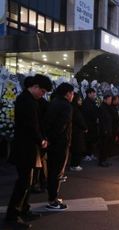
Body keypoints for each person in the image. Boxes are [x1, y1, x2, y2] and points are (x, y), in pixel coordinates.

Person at [6, 74, 52, 229]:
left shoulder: (31, 100)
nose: (43, 94)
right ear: (36, 87)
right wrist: (41, 140)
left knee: (28, 182)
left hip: (29, 147)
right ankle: (13, 215)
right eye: (43, 91)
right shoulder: (26, 100)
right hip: (25, 147)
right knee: (23, 182)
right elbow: (31, 125)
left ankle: (24, 210)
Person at [45, 83, 74, 211]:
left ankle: (52, 197)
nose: (73, 96)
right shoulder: (65, 106)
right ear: (67, 93)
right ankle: (53, 200)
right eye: (72, 93)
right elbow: (61, 126)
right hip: (59, 143)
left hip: (51, 142)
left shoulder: (53, 101)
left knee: (52, 170)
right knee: (56, 172)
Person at [70, 93, 88, 171]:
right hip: (77, 132)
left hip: (76, 131)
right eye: (79, 100)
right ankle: (74, 164)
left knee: (77, 148)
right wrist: (85, 127)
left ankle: (75, 164)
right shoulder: (75, 109)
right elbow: (79, 120)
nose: (81, 101)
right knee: (77, 148)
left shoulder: (76, 108)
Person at [82, 88, 99, 161]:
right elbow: (87, 114)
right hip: (88, 124)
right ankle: (86, 155)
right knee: (88, 140)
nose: (94, 95)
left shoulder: (92, 102)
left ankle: (90, 154)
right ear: (88, 94)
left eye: (94, 93)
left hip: (93, 124)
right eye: (93, 93)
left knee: (91, 140)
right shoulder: (86, 102)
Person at [98, 94, 113, 167]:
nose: (110, 101)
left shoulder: (107, 107)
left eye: (111, 100)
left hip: (108, 129)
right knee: (103, 146)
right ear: (105, 99)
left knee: (106, 146)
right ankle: (102, 161)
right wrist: (105, 130)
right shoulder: (102, 107)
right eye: (109, 100)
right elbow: (102, 120)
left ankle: (104, 160)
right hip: (104, 130)